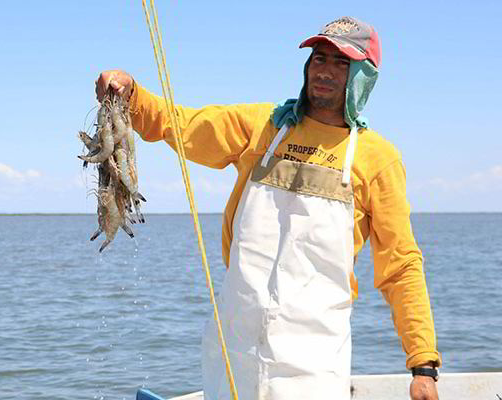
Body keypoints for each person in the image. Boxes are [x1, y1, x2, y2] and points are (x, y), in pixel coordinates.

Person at [96, 16, 440, 400]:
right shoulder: (263, 127)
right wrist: (130, 95)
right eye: (320, 58)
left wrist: (422, 363)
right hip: (234, 345)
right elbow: (181, 124)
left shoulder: (378, 159)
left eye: (342, 63)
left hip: (314, 358)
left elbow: (401, 265)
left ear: (364, 76)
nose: (325, 71)